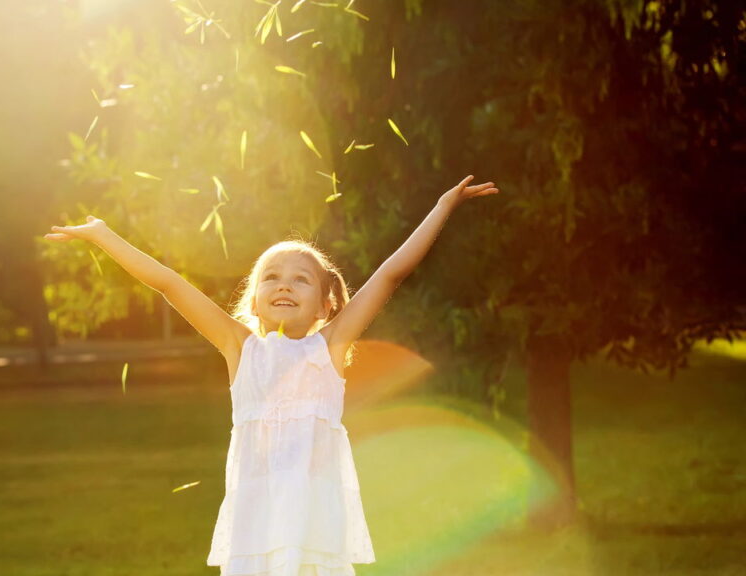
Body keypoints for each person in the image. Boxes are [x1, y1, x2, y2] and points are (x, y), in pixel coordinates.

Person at [44, 175, 499, 576]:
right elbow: (168, 283)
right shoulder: (240, 348)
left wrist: (443, 207)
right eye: (272, 277)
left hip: (315, 531)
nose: (284, 284)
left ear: (325, 305)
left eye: (301, 279)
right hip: (256, 531)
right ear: (254, 300)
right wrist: (104, 236)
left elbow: (390, 274)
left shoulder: (329, 348)